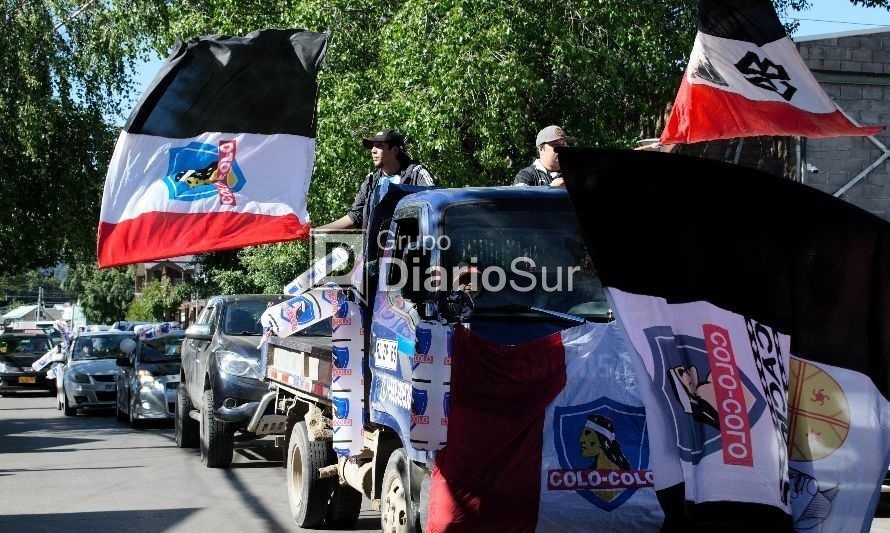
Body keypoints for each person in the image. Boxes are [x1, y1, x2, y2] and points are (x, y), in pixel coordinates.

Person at [320, 129, 434, 230]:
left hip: (406, 248)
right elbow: (355, 217)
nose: (373, 151)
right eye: (372, 146)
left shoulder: (417, 174)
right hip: (373, 249)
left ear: (394, 150)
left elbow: (433, 207)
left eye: (379, 146)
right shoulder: (371, 180)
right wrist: (316, 231)